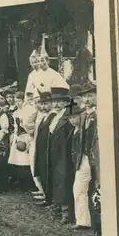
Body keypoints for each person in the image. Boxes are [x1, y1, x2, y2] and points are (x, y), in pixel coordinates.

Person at [45, 87, 75, 224]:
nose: (56, 104)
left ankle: (66, 212)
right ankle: (57, 207)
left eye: (59, 102)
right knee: (56, 179)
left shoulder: (68, 116)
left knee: (64, 180)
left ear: (65, 102)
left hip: (64, 153)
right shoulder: (54, 116)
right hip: (54, 153)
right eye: (54, 101)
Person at [74, 82, 98, 230]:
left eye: (90, 95)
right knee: (78, 188)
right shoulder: (82, 115)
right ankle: (83, 221)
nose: (87, 99)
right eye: (85, 96)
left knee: (100, 189)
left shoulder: (103, 112)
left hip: (99, 158)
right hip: (83, 157)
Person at [67, 101, 90, 229]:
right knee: (80, 190)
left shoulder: (82, 130)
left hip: (84, 161)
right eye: (70, 118)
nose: (72, 120)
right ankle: (83, 220)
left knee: (80, 190)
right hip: (79, 162)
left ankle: (83, 221)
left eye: (75, 117)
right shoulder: (74, 130)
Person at [32, 90, 56, 204]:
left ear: (51, 103)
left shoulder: (53, 116)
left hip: (48, 150)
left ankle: (50, 199)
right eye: (42, 104)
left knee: (48, 174)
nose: (43, 106)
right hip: (41, 149)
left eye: (46, 103)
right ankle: (47, 196)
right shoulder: (44, 116)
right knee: (43, 173)